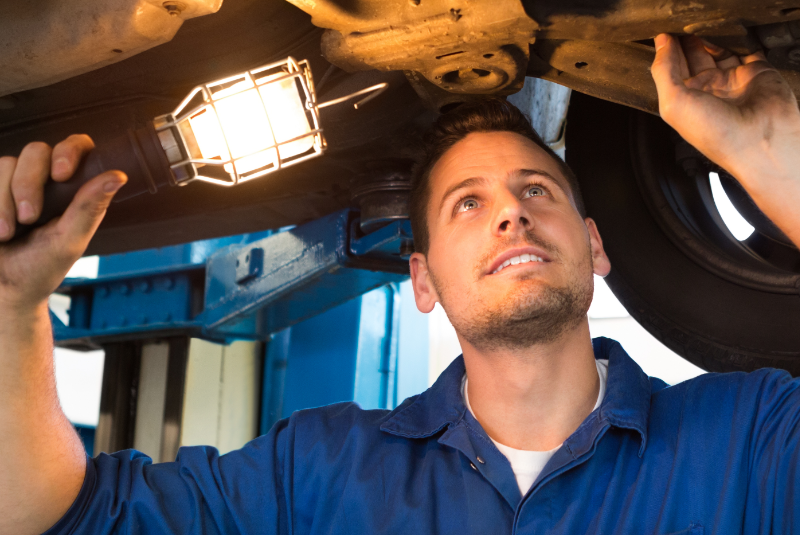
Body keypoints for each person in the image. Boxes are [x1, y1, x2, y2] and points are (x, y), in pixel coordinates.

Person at [1, 33, 799, 535]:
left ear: (594, 245)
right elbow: (56, 518)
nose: (511, 217)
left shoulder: (750, 437)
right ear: (422, 279)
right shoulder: (319, 472)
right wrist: (13, 308)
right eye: (468, 205)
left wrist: (773, 159)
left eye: (536, 191)